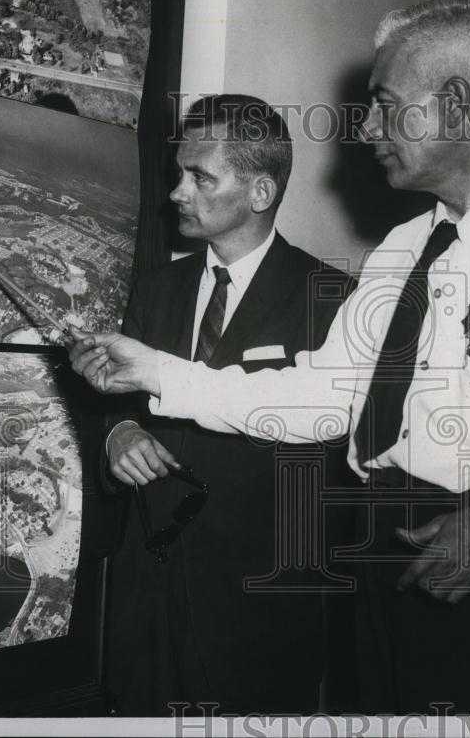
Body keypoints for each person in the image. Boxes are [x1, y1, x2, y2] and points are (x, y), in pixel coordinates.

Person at [71, 0, 470, 714]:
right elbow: (323, 398)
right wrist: (157, 371)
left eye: (384, 103)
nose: (366, 126)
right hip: (378, 547)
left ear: (455, 104)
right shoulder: (402, 250)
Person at [93, 94, 352, 715]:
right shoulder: (157, 288)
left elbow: (331, 455)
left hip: (255, 608)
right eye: (179, 173)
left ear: (260, 193)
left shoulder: (332, 299)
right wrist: (118, 432)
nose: (177, 193)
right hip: (145, 598)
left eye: (199, 177)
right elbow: (112, 400)